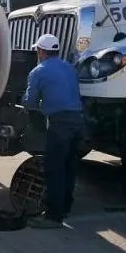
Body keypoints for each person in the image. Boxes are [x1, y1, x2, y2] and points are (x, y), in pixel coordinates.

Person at [22, 33, 84, 229]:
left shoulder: (38, 72)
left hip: (60, 125)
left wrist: (34, 105)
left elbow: (29, 102)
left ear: (41, 51)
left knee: (55, 169)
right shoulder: (71, 69)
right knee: (69, 167)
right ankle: (65, 208)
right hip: (78, 122)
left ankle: (53, 217)